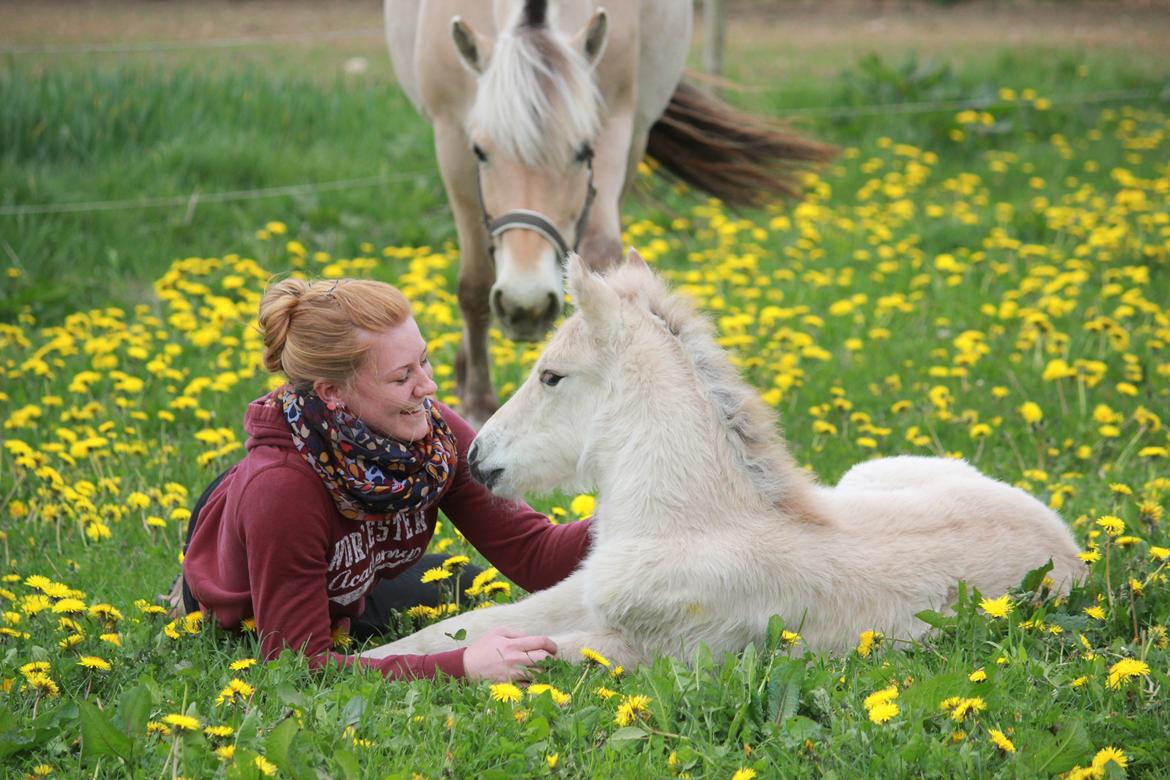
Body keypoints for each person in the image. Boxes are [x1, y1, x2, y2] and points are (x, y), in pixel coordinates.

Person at [173, 277, 591, 682]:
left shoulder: (433, 437)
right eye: (401, 376)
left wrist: (638, 511)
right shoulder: (281, 490)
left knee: (460, 581)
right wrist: (461, 666)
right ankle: (186, 586)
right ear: (332, 392)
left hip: (349, 587)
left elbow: (536, 556)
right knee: (311, 642)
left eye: (423, 360)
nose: (428, 386)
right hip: (246, 605)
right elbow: (297, 666)